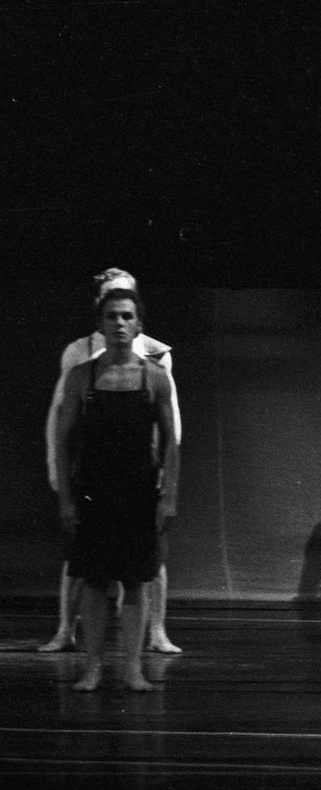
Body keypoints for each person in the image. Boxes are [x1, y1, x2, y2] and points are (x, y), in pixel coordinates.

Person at [40, 269, 181, 655]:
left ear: (136, 314)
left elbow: (170, 427)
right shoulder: (79, 355)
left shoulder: (155, 355)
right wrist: (61, 477)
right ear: (99, 310)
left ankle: (156, 632)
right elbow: (60, 418)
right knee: (84, 565)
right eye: (110, 305)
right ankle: (66, 631)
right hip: (93, 476)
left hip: (140, 475)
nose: (119, 318)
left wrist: (167, 485)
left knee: (145, 566)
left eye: (126, 308)